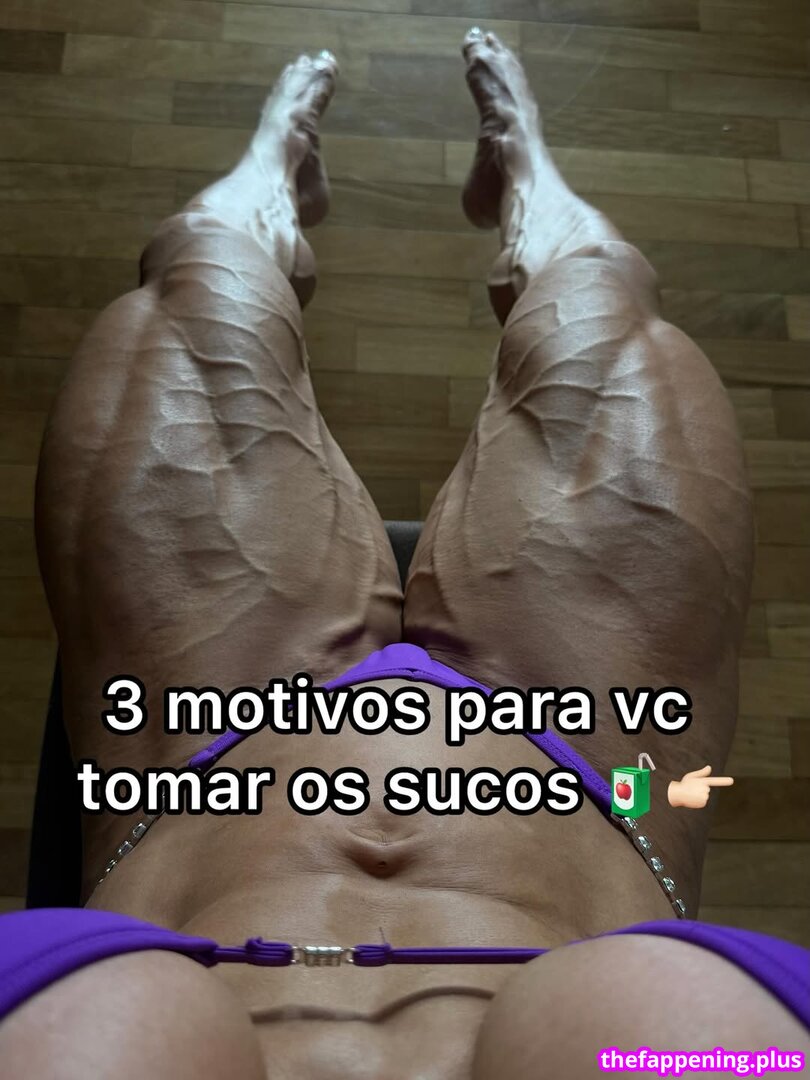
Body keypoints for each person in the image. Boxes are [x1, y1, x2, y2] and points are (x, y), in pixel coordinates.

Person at [1, 28, 807, 1080]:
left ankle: (272, 186)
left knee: (202, 280)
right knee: (598, 305)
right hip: (582, 758)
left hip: (206, 757)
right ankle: (526, 186)